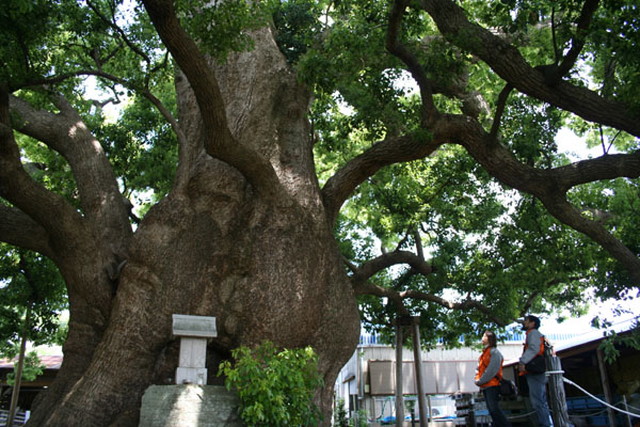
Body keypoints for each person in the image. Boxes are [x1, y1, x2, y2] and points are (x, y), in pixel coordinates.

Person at [518, 315, 552, 426]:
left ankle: (546, 424)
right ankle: (546, 423)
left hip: (535, 371)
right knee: (539, 400)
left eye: (526, 321)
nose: (524, 322)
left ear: (533, 323)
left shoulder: (533, 333)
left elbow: (534, 348)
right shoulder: (534, 334)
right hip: (535, 371)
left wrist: (523, 361)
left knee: (538, 401)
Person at [475, 330, 512, 427]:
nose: (482, 338)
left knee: (494, 409)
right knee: (492, 410)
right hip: (486, 385)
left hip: (492, 384)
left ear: (489, 338)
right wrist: (479, 381)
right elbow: (480, 369)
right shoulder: (484, 353)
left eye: (484, 336)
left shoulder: (494, 352)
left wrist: (480, 381)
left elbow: (492, 370)